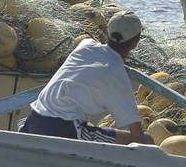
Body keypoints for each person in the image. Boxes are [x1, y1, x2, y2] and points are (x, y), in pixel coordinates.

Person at [17, 12, 153, 144]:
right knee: (146, 140)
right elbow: (137, 136)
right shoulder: (117, 75)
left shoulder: (85, 45)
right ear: (136, 42)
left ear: (108, 32)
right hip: (62, 130)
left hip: (33, 119)